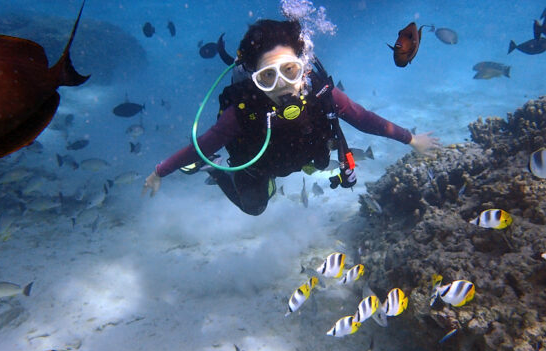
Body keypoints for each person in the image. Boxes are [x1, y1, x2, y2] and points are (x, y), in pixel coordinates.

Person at [143, 19, 439, 215]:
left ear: (304, 68)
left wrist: (411, 139)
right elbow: (202, 147)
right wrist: (160, 171)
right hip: (259, 166)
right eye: (268, 77)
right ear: (254, 80)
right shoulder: (243, 112)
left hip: (303, 158)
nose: (282, 84)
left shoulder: (321, 94)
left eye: (290, 71)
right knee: (254, 207)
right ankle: (218, 171)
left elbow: (364, 118)